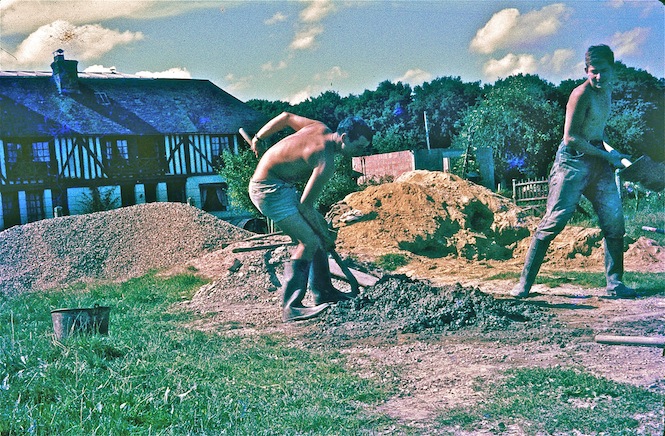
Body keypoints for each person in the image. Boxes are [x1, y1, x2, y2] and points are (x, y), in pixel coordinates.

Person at [511, 44, 636, 299]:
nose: (599, 77)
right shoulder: (581, 94)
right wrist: (606, 156)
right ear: (586, 70)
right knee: (553, 223)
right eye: (594, 71)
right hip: (572, 163)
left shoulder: (607, 91)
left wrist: (613, 155)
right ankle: (523, 284)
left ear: (613, 70)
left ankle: (615, 284)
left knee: (615, 224)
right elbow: (571, 138)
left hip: (598, 161)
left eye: (604, 71)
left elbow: (595, 133)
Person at [248, 112, 374, 322]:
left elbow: (286, 117)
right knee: (309, 241)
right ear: (344, 138)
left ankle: (323, 292)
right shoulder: (325, 160)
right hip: (269, 191)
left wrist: (259, 137)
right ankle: (292, 307)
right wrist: (323, 234)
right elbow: (306, 206)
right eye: (358, 147)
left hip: (279, 186)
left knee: (318, 230)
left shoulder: (318, 126)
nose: (358, 153)